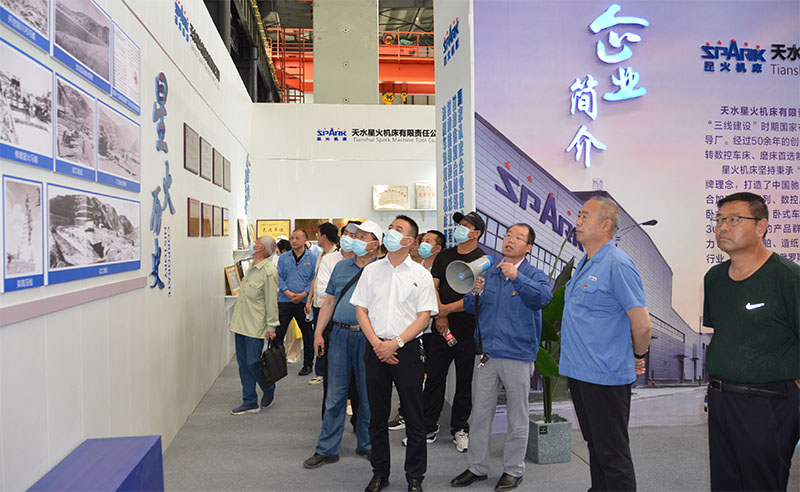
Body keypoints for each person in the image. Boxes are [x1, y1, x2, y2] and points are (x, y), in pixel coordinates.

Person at [703, 192, 799, 491]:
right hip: (721, 400)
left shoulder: (788, 278)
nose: (722, 227)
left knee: (762, 484)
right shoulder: (715, 278)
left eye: (733, 220)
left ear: (761, 227)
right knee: (725, 483)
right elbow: (724, 333)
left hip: (768, 404)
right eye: (719, 220)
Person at [450, 223, 552, 491]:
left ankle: (513, 470)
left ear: (528, 247)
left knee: (517, 417)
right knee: (480, 414)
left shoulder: (535, 275)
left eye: (518, 237)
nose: (510, 240)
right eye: (508, 235)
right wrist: (475, 291)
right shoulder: (490, 273)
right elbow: (471, 307)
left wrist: (517, 277)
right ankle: (477, 467)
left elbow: (542, 298)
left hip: (517, 356)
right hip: (486, 354)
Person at [559, 196, 652, 491]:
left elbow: (642, 324)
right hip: (580, 371)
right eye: (579, 216)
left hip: (605, 376)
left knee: (612, 452)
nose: (578, 222)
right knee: (595, 445)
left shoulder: (618, 264)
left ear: (605, 225)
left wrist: (639, 355)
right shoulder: (585, 263)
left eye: (585, 216)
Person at [350, 215, 438, 492]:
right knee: (376, 416)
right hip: (375, 347)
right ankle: (380, 473)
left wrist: (396, 343)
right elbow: (361, 310)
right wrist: (378, 344)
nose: (390, 232)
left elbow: (424, 318)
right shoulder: (372, 270)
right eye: (390, 228)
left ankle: (415, 477)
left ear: (410, 241)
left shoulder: (421, 275)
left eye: (398, 229)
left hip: (407, 349)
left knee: (414, 416)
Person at [303, 221, 382, 469]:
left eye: (362, 236)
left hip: (369, 338)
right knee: (335, 394)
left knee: (368, 394)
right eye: (355, 235)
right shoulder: (340, 267)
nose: (355, 239)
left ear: (375, 244)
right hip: (339, 334)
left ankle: (367, 444)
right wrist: (318, 333)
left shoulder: (382, 270)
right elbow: (329, 302)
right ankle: (327, 448)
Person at [423, 211, 486, 452]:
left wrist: (445, 311)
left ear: (476, 233)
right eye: (459, 224)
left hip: (468, 328)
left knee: (464, 381)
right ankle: (428, 425)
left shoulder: (482, 260)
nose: (460, 228)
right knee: (434, 377)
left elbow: (478, 296)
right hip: (441, 327)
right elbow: (433, 286)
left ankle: (460, 428)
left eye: (466, 225)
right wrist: (440, 316)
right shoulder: (445, 256)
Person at [390, 230, 446, 432]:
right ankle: (405, 414)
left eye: (427, 241)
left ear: (437, 248)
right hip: (410, 331)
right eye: (422, 240)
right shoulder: (415, 267)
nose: (421, 245)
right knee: (409, 377)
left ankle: (423, 419)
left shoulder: (441, 270)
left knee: (429, 377)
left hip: (431, 331)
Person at [228, 236, 279, 415]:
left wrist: (272, 327)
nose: (252, 245)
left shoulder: (269, 271)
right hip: (241, 324)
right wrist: (234, 320)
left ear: (260, 248)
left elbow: (271, 301)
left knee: (253, 363)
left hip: (255, 326)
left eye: (255, 242)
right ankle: (249, 401)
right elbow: (243, 299)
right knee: (243, 365)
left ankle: (268, 387)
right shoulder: (251, 267)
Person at [276, 229, 319, 376]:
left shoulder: (313, 258)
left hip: (303, 302)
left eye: (297, 238)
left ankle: (308, 365)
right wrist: (287, 292)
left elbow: (314, 278)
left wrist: (304, 294)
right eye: (292, 238)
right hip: (285, 300)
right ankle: (277, 364)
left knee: (308, 335)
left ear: (305, 240)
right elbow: (279, 277)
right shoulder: (283, 258)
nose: (294, 241)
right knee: (278, 334)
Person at [306, 222, 341, 385]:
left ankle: (323, 371)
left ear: (324, 236)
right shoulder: (321, 255)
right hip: (317, 303)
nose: (317, 238)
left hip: (329, 304)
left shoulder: (337, 256)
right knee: (318, 335)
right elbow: (316, 279)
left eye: (318, 234)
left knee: (327, 338)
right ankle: (320, 371)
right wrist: (309, 299)